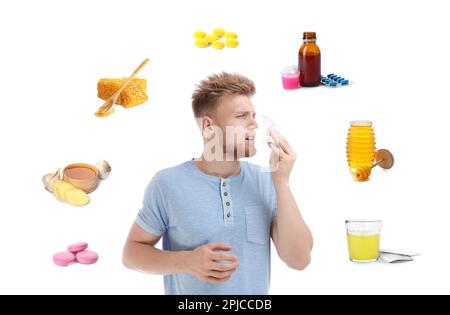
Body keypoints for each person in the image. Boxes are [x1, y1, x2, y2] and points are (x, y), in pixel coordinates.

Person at [122, 72, 313, 294]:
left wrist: (282, 183)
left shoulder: (267, 180)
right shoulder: (167, 184)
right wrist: (186, 261)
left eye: (253, 115)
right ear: (209, 126)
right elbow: (131, 254)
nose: (254, 124)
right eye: (242, 116)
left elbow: (299, 259)